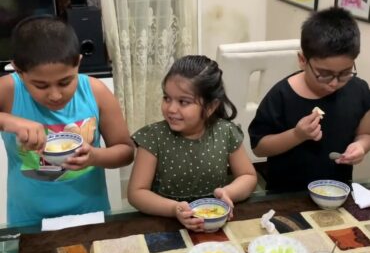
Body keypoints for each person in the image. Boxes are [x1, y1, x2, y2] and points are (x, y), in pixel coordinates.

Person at [0, 15, 134, 226]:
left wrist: (95, 157)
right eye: (41, 86)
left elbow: (126, 151)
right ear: (18, 71)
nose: (55, 95)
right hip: (28, 218)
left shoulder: (95, 92)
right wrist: (8, 121)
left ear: (78, 63)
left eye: (65, 82)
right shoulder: (8, 91)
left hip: (90, 212)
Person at [127, 55, 257, 232]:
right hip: (166, 224)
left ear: (210, 107)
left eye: (183, 102)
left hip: (215, 222)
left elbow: (248, 177)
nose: (171, 109)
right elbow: (136, 193)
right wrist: (174, 209)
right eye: (167, 98)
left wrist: (228, 192)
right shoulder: (154, 137)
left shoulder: (225, 132)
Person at [248, 7, 370, 192]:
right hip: (287, 194)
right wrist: (297, 135)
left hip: (337, 192)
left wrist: (361, 147)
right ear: (303, 60)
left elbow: (365, 134)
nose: (334, 83)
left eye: (345, 73)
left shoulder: (359, 90)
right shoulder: (282, 95)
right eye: (324, 74)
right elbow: (259, 147)